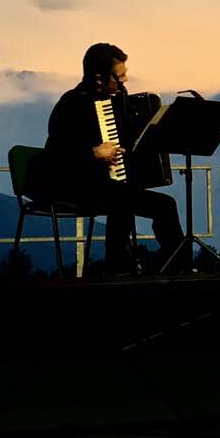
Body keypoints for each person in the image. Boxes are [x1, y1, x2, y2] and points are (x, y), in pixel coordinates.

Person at [40, 43, 184, 274]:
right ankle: (118, 266)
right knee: (122, 199)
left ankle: (179, 267)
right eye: (120, 76)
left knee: (163, 204)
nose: (125, 80)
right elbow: (56, 156)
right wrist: (95, 153)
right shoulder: (71, 104)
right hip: (72, 185)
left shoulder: (117, 103)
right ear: (99, 78)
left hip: (105, 186)